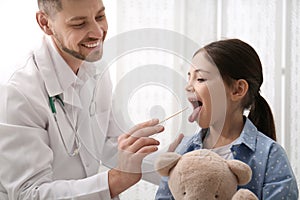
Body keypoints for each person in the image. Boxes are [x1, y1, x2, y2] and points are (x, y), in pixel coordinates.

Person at [0, 0, 168, 199]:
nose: (98, 32)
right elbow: (29, 194)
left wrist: (172, 167)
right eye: (79, 24)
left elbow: (111, 143)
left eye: (100, 17)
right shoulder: (18, 93)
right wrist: (117, 179)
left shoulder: (96, 68)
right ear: (45, 23)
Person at [155, 39, 299, 199]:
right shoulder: (183, 150)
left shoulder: (270, 155)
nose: (188, 86)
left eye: (200, 79)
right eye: (189, 78)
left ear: (238, 90)